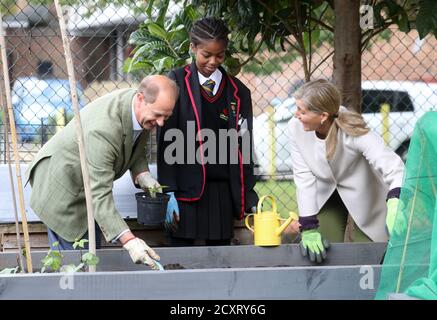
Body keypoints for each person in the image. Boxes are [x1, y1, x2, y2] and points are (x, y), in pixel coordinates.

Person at [25, 75, 179, 269]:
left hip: (86, 185)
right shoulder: (103, 131)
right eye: (158, 115)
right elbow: (99, 195)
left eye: (166, 116)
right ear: (140, 99)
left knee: (92, 256)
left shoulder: (139, 108)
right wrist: (131, 241)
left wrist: (142, 174)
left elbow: (134, 140)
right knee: (76, 266)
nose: (161, 122)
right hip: (62, 188)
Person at [157, 17, 259, 246]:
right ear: (193, 48)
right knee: (180, 262)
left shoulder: (238, 92)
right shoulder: (175, 83)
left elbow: (244, 146)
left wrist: (248, 194)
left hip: (221, 194)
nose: (213, 61)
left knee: (219, 260)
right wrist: (168, 191)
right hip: (183, 193)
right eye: (206, 55)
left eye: (220, 55)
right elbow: (165, 142)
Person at [288, 79, 405, 263]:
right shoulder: (295, 128)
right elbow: (303, 176)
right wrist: (308, 226)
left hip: (362, 191)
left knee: (369, 254)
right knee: (322, 253)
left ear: (323, 116)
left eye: (302, 111)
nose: (296, 115)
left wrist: (395, 200)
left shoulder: (353, 129)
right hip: (325, 192)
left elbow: (393, 166)